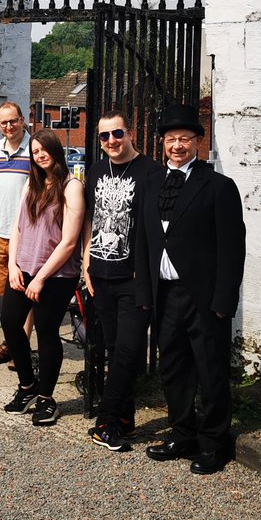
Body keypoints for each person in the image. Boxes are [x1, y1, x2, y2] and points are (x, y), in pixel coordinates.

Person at [136, 103, 246, 475]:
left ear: (198, 142)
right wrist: (144, 294)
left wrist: (224, 299)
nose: (177, 145)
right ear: (163, 143)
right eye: (171, 139)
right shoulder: (150, 183)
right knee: (173, 369)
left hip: (203, 298)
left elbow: (233, 248)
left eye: (185, 138)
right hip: (165, 296)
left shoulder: (218, 186)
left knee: (211, 371)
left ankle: (215, 443)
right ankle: (182, 434)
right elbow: (143, 243)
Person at [82, 109, 160, 452]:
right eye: (104, 136)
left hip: (133, 279)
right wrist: (86, 261)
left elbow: (157, 230)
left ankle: (105, 421)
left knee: (128, 353)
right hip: (100, 275)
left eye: (117, 134)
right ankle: (125, 420)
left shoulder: (151, 172)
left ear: (130, 133)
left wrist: (144, 271)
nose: (111, 141)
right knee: (115, 351)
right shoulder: (96, 171)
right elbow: (89, 219)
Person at [0, 130, 84, 426]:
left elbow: (70, 242)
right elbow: (17, 228)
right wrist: (13, 266)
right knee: (10, 321)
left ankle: (47, 398)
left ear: (55, 150)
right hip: (24, 267)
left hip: (57, 274)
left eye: (44, 149)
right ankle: (28, 386)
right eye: (35, 152)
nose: (40, 155)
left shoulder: (71, 186)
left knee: (46, 332)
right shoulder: (31, 183)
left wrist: (41, 278)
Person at [0, 101, 32, 365]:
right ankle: (12, 342)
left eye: (13, 121)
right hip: (0, 230)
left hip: (25, 234)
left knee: (24, 292)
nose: (8, 126)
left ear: (22, 120)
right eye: (3, 122)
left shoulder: (35, 150)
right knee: (4, 292)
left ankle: (17, 348)